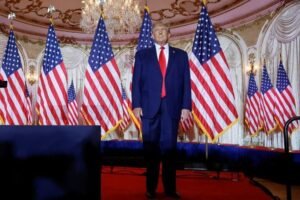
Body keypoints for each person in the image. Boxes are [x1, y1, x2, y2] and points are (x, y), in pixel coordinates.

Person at [132, 22, 191, 200]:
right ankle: (150, 189)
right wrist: (136, 104)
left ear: (169, 34)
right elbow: (136, 82)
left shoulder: (181, 56)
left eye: (163, 30)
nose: (160, 33)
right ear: (152, 35)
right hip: (149, 108)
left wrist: (186, 106)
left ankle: (170, 190)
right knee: (151, 151)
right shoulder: (142, 55)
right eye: (156, 31)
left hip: (171, 108)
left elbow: (186, 83)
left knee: (169, 151)